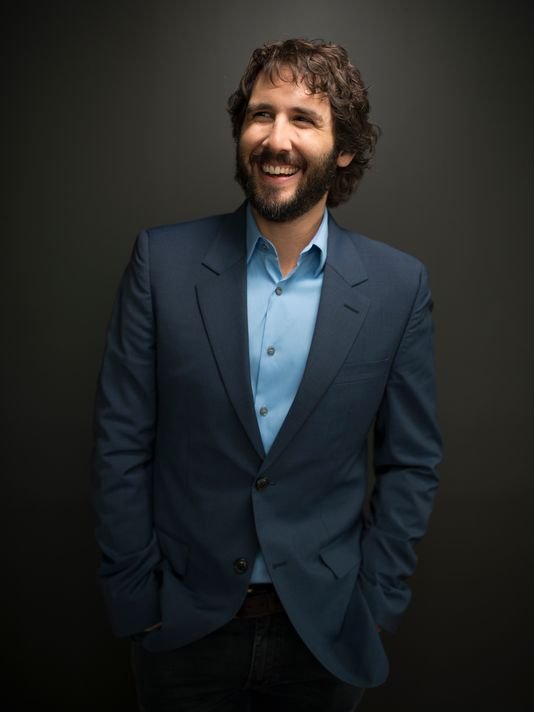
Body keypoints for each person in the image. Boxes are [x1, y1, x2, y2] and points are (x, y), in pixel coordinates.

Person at [92, 38, 442, 712]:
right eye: (261, 115)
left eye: (303, 119)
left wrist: (375, 602)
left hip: (328, 631)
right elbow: (120, 443)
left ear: (344, 149)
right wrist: (137, 601)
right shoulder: (160, 264)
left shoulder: (399, 287)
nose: (276, 139)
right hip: (181, 626)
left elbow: (412, 461)